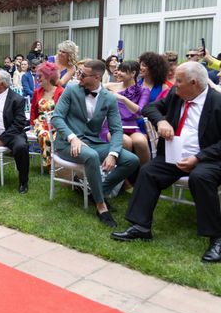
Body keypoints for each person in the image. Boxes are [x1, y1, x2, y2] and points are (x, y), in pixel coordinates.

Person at [111, 62, 221, 263]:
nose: (174, 85)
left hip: (208, 158)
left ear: (194, 83)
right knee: (148, 171)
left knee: (201, 177)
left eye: (178, 81)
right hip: (175, 154)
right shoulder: (176, 95)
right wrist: (161, 121)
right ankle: (141, 226)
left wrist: (198, 158)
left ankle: (217, 239)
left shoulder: (217, 102)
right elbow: (150, 108)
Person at [51, 60, 140, 227]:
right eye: (79, 73)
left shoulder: (109, 98)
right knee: (91, 156)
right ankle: (101, 206)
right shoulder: (71, 90)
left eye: (83, 75)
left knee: (131, 160)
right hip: (67, 143)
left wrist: (113, 154)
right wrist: (73, 137)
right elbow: (57, 118)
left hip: (93, 142)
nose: (79, 76)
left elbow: (116, 129)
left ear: (97, 77)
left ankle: (97, 191)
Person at [103, 60, 151, 165]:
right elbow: (94, 86)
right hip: (112, 125)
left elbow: (139, 112)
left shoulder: (143, 90)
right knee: (125, 142)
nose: (118, 73)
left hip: (132, 126)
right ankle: (125, 178)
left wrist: (123, 99)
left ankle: (142, 175)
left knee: (141, 142)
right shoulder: (110, 86)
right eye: (119, 70)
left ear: (133, 73)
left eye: (123, 71)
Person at [30, 62, 64, 168]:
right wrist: (31, 124)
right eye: (37, 76)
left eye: (40, 76)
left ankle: (54, 163)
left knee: (54, 136)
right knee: (45, 134)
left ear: (49, 77)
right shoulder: (37, 92)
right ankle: (50, 165)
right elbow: (33, 110)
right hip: (40, 122)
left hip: (55, 122)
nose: (38, 79)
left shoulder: (61, 91)